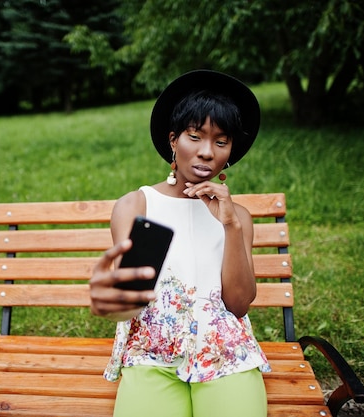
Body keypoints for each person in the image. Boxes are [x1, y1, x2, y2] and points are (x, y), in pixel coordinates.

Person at [90, 70, 270, 417]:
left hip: (224, 353)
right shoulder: (138, 206)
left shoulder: (239, 218)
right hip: (152, 354)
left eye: (221, 142)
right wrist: (110, 299)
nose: (206, 152)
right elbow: (129, 303)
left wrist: (230, 226)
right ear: (173, 140)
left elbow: (239, 303)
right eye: (194, 136)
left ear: (229, 153)